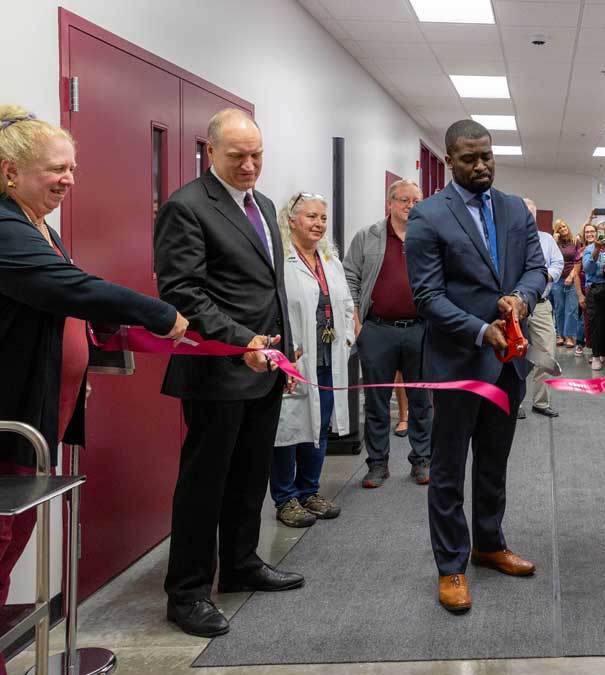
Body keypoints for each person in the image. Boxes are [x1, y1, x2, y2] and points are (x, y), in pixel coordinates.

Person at [0, 106, 187, 625]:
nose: (69, 180)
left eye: (72, 168)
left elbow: (67, 298)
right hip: (9, 419)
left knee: (16, 537)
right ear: (11, 172)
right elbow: (73, 289)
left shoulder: (39, 226)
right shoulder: (4, 226)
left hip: (39, 420)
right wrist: (159, 313)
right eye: (56, 169)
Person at [154, 108, 303, 637]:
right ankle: (187, 592)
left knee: (249, 477)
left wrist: (285, 349)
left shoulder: (261, 205)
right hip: (218, 368)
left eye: (256, 154)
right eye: (237, 155)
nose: (249, 165)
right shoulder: (186, 207)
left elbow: (267, 286)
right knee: (204, 483)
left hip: (264, 365)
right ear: (210, 151)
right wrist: (242, 341)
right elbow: (184, 292)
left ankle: (241, 564)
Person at [405, 119, 546, 613]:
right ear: (449, 161)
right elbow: (427, 296)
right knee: (448, 468)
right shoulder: (428, 216)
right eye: (469, 159)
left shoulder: (512, 210)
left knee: (493, 461)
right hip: (457, 361)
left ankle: (489, 543)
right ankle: (451, 566)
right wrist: (476, 328)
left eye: (487, 156)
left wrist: (523, 301)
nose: (481, 165)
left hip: (507, 362)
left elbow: (536, 268)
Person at [270, 192, 355, 528]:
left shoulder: (330, 259)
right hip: (295, 359)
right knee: (288, 427)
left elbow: (347, 304)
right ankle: (285, 497)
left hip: (328, 357)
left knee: (318, 427)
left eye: (322, 218)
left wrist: (347, 337)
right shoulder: (280, 259)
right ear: (291, 220)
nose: (319, 224)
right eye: (311, 217)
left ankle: (309, 491)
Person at [345, 178, 434, 487]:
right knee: (377, 401)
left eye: (416, 201)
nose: (411, 206)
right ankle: (377, 464)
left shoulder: (430, 238)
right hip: (377, 329)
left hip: (420, 330)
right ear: (390, 203)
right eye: (404, 200)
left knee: (421, 400)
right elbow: (349, 279)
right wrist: (358, 326)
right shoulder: (366, 237)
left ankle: (421, 460)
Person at [522, 197, 564, 418]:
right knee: (514, 354)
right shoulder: (508, 239)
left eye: (532, 212)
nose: (529, 216)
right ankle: (515, 402)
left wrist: (545, 276)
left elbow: (558, 263)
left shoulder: (546, 239)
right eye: (525, 212)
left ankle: (540, 401)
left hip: (540, 305)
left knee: (546, 353)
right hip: (516, 306)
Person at [582, 217, 605, 371]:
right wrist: (596, 248)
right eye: (601, 232)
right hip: (595, 288)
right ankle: (595, 355)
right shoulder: (589, 249)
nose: (604, 235)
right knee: (595, 323)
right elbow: (588, 269)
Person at [550, 219, 578, 347]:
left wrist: (571, 276)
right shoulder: (554, 243)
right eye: (559, 228)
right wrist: (554, 240)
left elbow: (578, 262)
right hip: (557, 279)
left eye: (564, 226)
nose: (563, 229)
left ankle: (570, 336)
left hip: (572, 278)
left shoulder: (575, 241)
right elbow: (549, 257)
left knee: (571, 309)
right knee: (559, 308)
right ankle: (559, 334)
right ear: (557, 231)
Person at [572, 222, 598, 356]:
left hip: (597, 288)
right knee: (584, 318)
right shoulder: (581, 251)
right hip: (583, 287)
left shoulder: (602, 249)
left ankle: (596, 348)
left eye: (592, 231)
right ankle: (579, 343)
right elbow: (576, 274)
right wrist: (580, 295)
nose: (589, 234)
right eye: (587, 232)